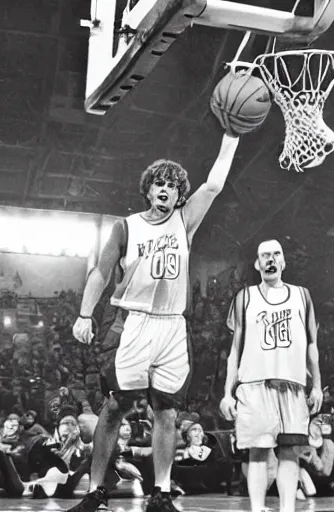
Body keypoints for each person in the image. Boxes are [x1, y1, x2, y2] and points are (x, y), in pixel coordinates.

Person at [67, 133, 240, 512]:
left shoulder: (185, 221)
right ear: (148, 190)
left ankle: (160, 493)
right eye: (159, 183)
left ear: (180, 196)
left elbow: (213, 185)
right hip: (133, 322)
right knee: (116, 407)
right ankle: (96, 490)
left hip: (172, 326)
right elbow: (100, 271)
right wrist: (84, 313)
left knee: (167, 410)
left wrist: (229, 136)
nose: (166, 189)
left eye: (174, 185)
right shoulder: (126, 227)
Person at [219, 239, 323, 512]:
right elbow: (234, 350)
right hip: (254, 384)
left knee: (290, 453)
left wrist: (318, 386)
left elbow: (313, 345)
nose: (270, 259)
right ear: (257, 264)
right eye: (264, 255)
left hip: (293, 384)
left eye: (276, 254)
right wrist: (227, 393)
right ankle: (256, 509)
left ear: (284, 262)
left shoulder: (302, 295)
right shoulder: (245, 297)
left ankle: (287, 509)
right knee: (257, 452)